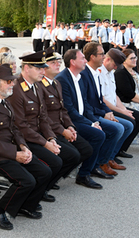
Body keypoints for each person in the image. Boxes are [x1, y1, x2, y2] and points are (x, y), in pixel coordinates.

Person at [0, 64, 52, 230]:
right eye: (9, 81)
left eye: (13, 80)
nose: (13, 84)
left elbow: (14, 128)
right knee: (26, 180)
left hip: (10, 149)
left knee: (45, 172)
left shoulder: (4, 101)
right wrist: (15, 155)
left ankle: (25, 206)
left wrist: (23, 146)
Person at [8, 50, 81, 199]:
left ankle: (40, 191)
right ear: (27, 68)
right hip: (21, 139)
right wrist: (45, 143)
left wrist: (51, 138)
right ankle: (33, 196)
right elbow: (21, 126)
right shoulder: (16, 89)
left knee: (72, 155)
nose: (43, 71)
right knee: (55, 162)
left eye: (43, 67)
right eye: (39, 68)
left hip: (36, 135)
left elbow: (43, 117)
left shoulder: (36, 86)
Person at [56, 49, 113, 187]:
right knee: (98, 135)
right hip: (70, 121)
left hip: (81, 119)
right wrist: (90, 124)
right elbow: (69, 109)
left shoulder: (79, 77)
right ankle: (83, 174)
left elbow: (85, 103)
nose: (85, 61)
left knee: (104, 131)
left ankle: (92, 167)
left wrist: (93, 121)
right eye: (82, 58)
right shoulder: (63, 79)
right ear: (72, 61)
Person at [38, 46, 94, 185]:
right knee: (72, 155)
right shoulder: (40, 86)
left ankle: (52, 180)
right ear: (44, 68)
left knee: (86, 150)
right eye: (53, 63)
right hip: (50, 131)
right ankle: (45, 185)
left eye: (58, 62)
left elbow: (63, 110)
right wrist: (63, 131)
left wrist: (69, 126)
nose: (58, 64)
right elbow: (44, 116)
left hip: (61, 127)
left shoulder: (56, 83)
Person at [81, 42, 133, 175]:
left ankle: (108, 158)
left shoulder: (96, 73)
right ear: (92, 57)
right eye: (101, 54)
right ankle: (100, 162)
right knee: (119, 128)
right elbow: (87, 103)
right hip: (90, 114)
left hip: (99, 110)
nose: (103, 57)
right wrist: (104, 113)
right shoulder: (87, 74)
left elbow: (102, 97)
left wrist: (109, 111)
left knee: (127, 124)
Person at [98, 49, 139, 160]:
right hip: (107, 108)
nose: (116, 68)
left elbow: (115, 95)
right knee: (129, 123)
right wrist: (121, 111)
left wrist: (124, 109)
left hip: (115, 105)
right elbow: (103, 99)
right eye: (115, 65)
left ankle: (119, 150)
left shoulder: (110, 72)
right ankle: (110, 156)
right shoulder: (100, 73)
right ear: (108, 59)